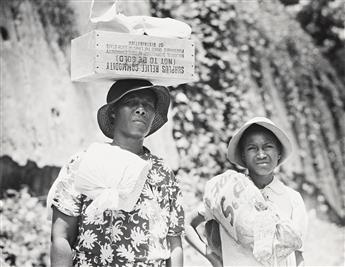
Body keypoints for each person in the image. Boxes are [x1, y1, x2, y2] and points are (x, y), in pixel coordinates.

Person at [48, 79, 184, 267]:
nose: (141, 110)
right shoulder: (85, 163)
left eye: (148, 105)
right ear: (113, 112)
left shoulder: (163, 174)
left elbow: (173, 243)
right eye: (131, 103)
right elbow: (61, 237)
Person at [185, 117, 308, 267]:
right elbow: (187, 224)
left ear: (279, 153)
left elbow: (298, 256)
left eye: (268, 146)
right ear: (243, 156)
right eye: (252, 148)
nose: (261, 154)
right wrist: (212, 257)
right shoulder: (227, 193)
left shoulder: (292, 199)